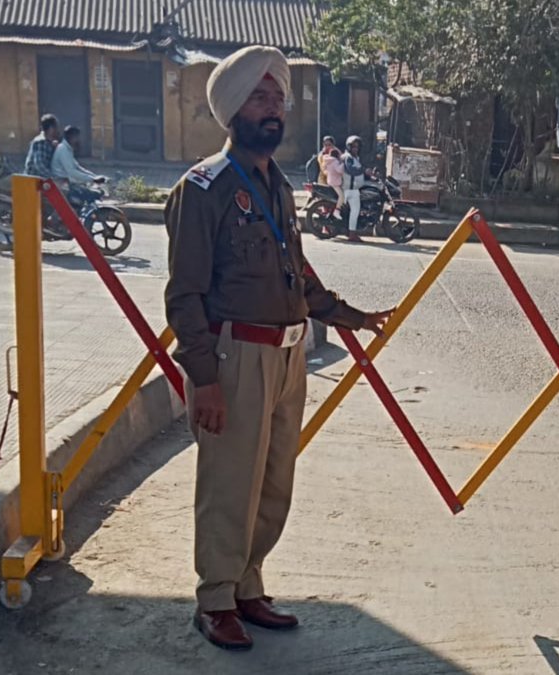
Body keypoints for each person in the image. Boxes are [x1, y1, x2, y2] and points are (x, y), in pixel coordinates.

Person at [163, 45, 393, 652]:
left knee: (272, 481)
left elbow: (296, 269)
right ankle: (215, 599)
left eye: (278, 99)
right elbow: (184, 294)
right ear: (234, 109)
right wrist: (203, 379)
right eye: (259, 98)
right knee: (229, 482)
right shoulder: (204, 188)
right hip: (237, 357)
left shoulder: (278, 185)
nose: (272, 109)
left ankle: (247, 585)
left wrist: (349, 316)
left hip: (290, 355)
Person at [51, 125, 106, 204]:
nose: (78, 139)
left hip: (67, 182)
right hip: (61, 184)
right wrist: (92, 179)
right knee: (87, 195)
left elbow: (77, 167)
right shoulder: (63, 149)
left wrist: (94, 176)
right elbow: (72, 172)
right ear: (71, 137)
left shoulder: (68, 149)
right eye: (76, 137)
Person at [341, 135, 367, 242]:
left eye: (357, 147)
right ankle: (352, 234)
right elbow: (351, 170)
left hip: (353, 188)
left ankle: (349, 231)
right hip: (349, 189)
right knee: (355, 211)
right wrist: (364, 170)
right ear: (349, 147)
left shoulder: (355, 158)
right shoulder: (348, 158)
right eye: (353, 147)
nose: (356, 149)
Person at [24, 114, 60, 179]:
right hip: (34, 180)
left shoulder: (50, 142)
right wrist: (55, 177)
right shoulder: (40, 142)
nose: (57, 130)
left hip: (43, 178)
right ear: (51, 128)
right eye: (56, 127)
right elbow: (40, 166)